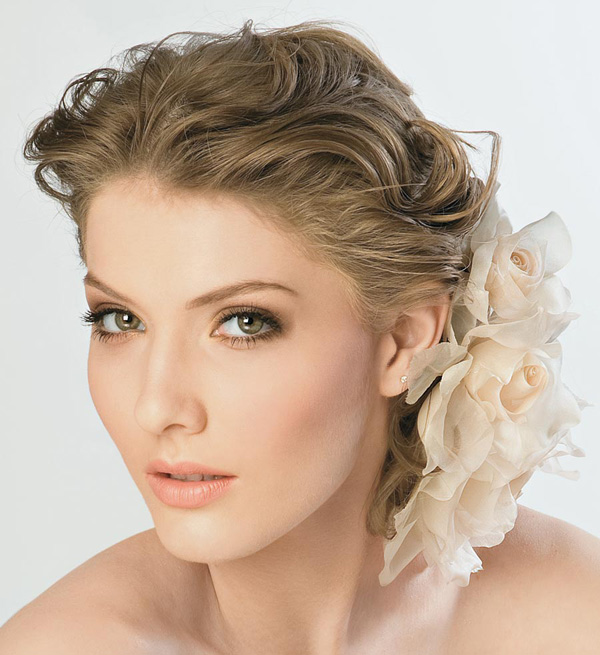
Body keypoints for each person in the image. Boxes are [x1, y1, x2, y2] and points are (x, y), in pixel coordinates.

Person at [2, 18, 599, 655]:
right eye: (120, 320)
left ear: (403, 340)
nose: (157, 408)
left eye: (243, 322)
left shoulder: (575, 618)